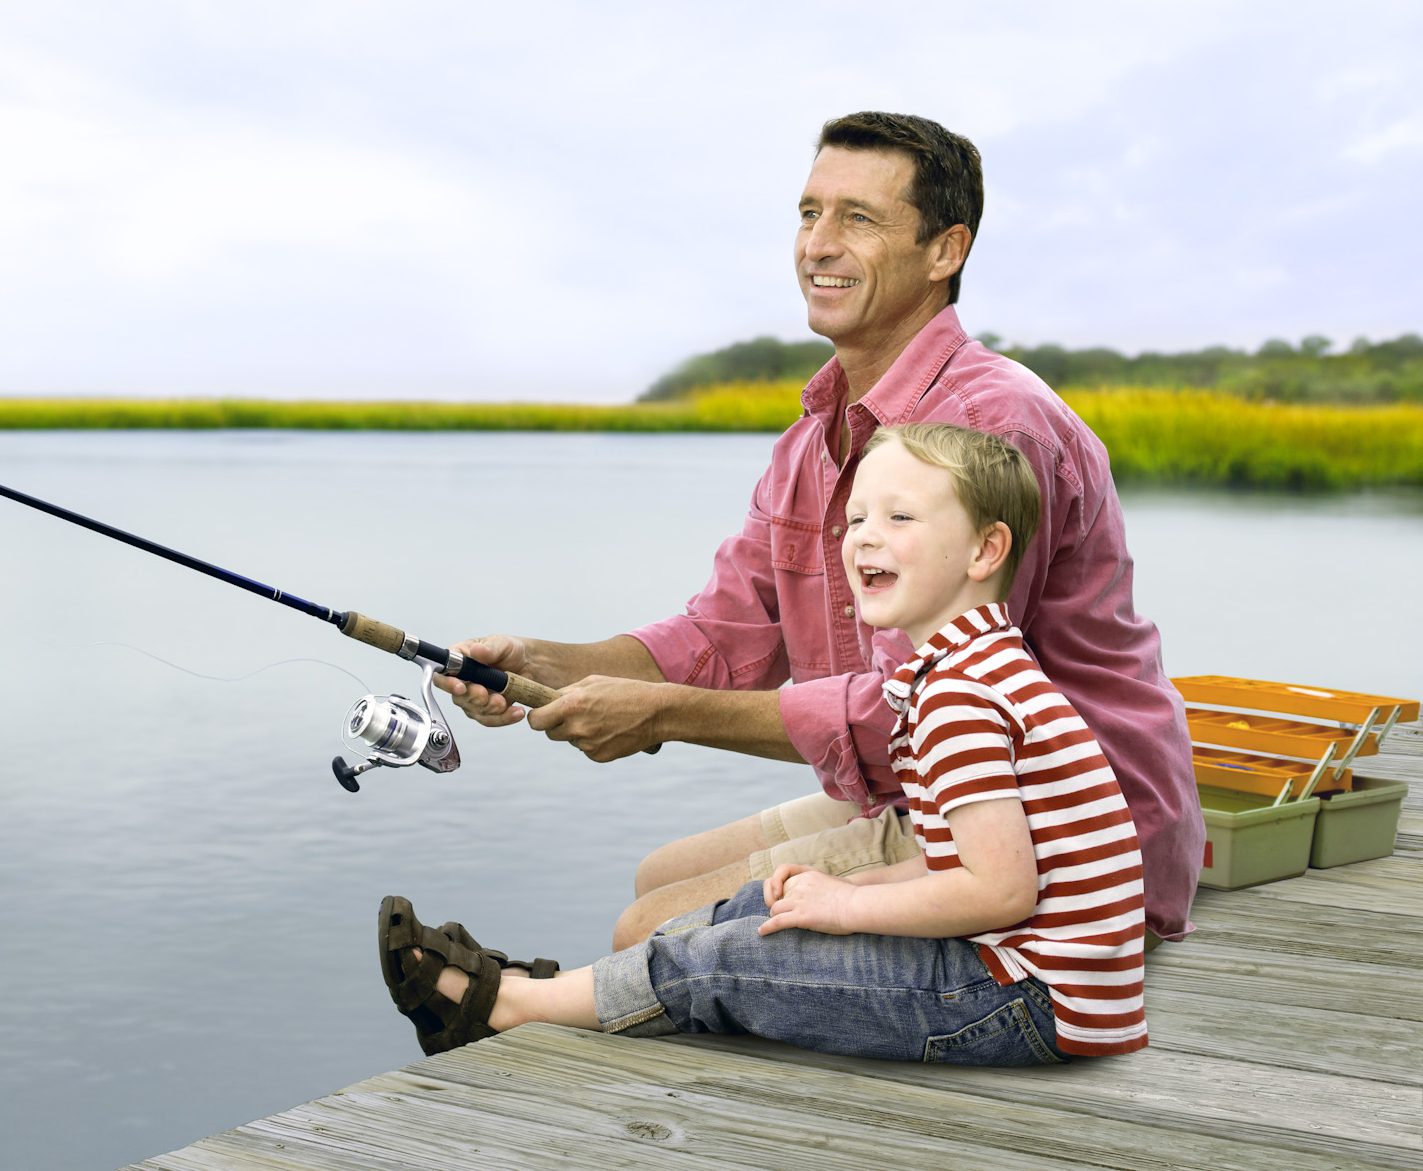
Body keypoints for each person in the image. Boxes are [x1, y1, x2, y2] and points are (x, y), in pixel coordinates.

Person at [436, 111, 1201, 950]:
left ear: (946, 251)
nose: (818, 246)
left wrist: (659, 716)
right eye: (809, 214)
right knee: (657, 878)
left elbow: (924, 708)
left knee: (647, 931)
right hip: (934, 796)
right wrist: (543, 665)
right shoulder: (813, 439)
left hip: (1058, 834)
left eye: (858, 219)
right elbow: (722, 634)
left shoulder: (990, 428)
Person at [379, 423, 1147, 1065]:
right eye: (856, 521)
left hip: (1021, 1001)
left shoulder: (958, 696)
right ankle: (569, 991)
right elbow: (966, 866)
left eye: (901, 520)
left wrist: (849, 903)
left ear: (985, 552)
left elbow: (1000, 892)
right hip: (1037, 980)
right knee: (762, 908)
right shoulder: (976, 664)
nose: (865, 540)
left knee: (738, 959)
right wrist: (849, 896)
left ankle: (513, 1005)